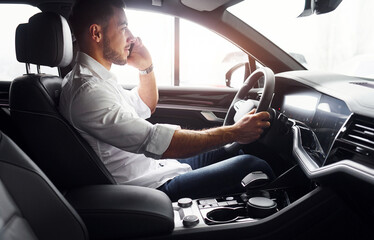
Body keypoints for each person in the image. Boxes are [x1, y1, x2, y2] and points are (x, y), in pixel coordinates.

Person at [60, 0, 274, 201]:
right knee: (253, 165)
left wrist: (146, 67)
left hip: (157, 167)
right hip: (151, 189)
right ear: (96, 33)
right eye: (124, 27)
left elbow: (145, 105)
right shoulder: (88, 92)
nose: (132, 37)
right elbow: (156, 141)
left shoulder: (96, 80)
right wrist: (235, 131)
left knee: (233, 148)